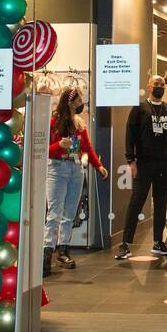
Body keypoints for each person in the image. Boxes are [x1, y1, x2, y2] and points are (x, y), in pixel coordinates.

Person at [116, 74, 167, 263]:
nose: (159, 87)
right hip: (144, 163)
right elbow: (130, 135)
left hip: (166, 163)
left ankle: (158, 242)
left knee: (161, 203)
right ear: (149, 86)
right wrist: (131, 160)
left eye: (162, 84)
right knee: (136, 201)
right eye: (156, 84)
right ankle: (125, 244)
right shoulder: (139, 109)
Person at [45, 87, 108, 274]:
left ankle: (63, 249)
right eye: (80, 101)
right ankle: (47, 251)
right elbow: (43, 149)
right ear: (71, 102)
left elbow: (86, 147)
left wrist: (98, 166)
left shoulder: (79, 124)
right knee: (54, 212)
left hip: (76, 169)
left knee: (70, 212)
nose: (82, 105)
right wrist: (58, 146)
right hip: (57, 168)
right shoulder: (53, 123)